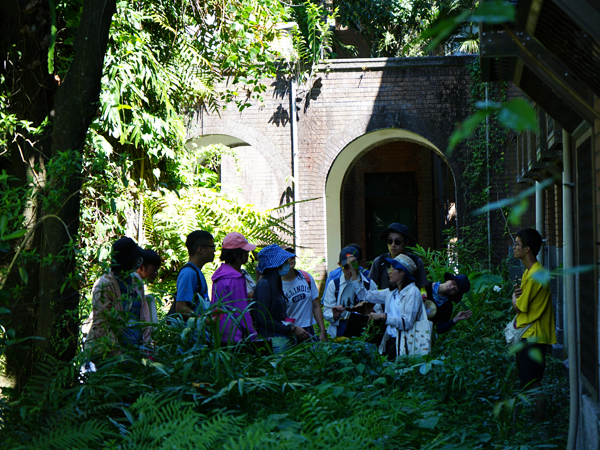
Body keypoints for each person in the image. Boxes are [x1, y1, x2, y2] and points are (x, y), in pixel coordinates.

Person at [512, 228, 556, 419]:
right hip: (530, 334)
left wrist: (513, 298)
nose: (514, 247)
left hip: (533, 336)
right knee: (529, 379)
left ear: (527, 249)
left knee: (532, 381)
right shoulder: (530, 272)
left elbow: (519, 306)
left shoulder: (535, 274)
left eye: (517, 244)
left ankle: (540, 424)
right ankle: (537, 421)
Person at [348, 253, 423, 359]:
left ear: (402, 272)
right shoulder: (391, 292)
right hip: (389, 342)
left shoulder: (413, 292)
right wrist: (353, 270)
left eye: (393, 268)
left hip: (406, 345)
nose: (389, 271)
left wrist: (383, 316)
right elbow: (364, 295)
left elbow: (407, 323)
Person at [87, 237, 151, 352]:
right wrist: (117, 353)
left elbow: (143, 313)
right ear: (127, 261)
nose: (138, 261)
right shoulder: (104, 285)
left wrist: (146, 343)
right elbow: (102, 324)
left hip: (136, 348)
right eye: (135, 258)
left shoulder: (136, 280)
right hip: (114, 352)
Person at [252, 245, 310, 342]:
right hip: (271, 342)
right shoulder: (264, 286)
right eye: (284, 261)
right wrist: (291, 329)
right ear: (276, 265)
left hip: (279, 339)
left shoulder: (274, 283)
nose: (287, 263)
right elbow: (264, 319)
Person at [322, 246, 379, 339]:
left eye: (353, 265)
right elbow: (327, 310)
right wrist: (334, 315)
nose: (349, 270)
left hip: (364, 329)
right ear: (339, 265)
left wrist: (371, 314)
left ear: (359, 263)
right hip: (339, 328)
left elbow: (378, 309)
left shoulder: (368, 284)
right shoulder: (334, 284)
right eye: (346, 267)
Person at [211, 232, 257, 343]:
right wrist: (253, 335)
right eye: (245, 252)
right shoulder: (235, 278)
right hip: (235, 335)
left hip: (219, 331)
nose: (248, 255)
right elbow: (241, 310)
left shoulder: (219, 275)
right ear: (237, 255)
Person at [280, 247, 327, 342]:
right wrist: (292, 328)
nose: (290, 258)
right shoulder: (277, 284)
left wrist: (322, 331)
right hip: (290, 332)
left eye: (291, 255)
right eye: (285, 256)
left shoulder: (306, 277)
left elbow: (316, 305)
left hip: (309, 330)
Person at [369, 223, 427, 289]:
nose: (393, 245)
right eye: (390, 241)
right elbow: (369, 288)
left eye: (397, 241)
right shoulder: (379, 261)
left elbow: (423, 287)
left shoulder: (415, 262)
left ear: (406, 242)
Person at [172, 230, 215, 317]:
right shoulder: (188, 273)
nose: (214, 250)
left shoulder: (196, 272)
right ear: (200, 250)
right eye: (212, 246)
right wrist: (206, 321)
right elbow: (181, 307)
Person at [135, 249, 161, 323]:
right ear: (141, 268)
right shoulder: (134, 281)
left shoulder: (136, 281)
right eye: (154, 270)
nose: (156, 274)